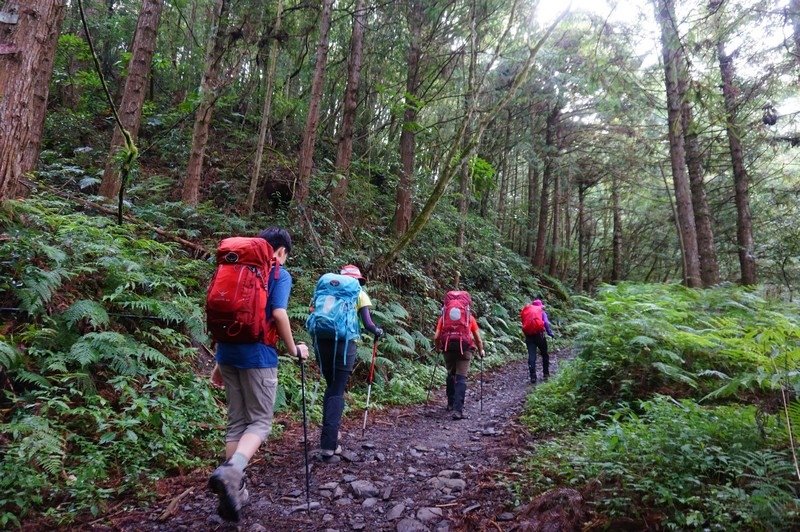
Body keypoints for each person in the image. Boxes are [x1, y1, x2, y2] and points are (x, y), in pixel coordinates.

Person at [207, 227, 309, 522]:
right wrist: (294, 349)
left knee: (236, 422)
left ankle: (234, 492)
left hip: (226, 352)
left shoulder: (233, 267)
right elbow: (278, 314)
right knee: (261, 423)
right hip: (258, 355)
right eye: (286, 255)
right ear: (280, 251)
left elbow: (227, 317)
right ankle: (233, 471)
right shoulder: (277, 273)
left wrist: (217, 364)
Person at [314, 264, 383, 463]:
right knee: (337, 390)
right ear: (357, 280)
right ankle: (328, 446)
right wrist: (378, 331)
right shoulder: (359, 293)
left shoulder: (326, 288)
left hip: (322, 343)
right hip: (344, 346)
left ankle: (330, 435)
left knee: (331, 387)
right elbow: (369, 324)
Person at [433, 291, 485, 420]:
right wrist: (481, 350)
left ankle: (450, 403)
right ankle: (457, 411)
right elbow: (478, 338)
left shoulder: (443, 318)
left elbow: (436, 336)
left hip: (448, 348)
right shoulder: (469, 318)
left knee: (451, 374)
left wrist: (438, 347)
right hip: (465, 350)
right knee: (461, 378)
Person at [522, 299, 555, 384]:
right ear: (540, 306)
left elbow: (523, 323)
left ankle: (533, 376)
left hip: (529, 336)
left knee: (531, 356)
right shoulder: (542, 312)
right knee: (544, 354)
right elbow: (546, 323)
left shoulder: (527, 312)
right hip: (540, 336)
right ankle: (546, 373)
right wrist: (550, 333)